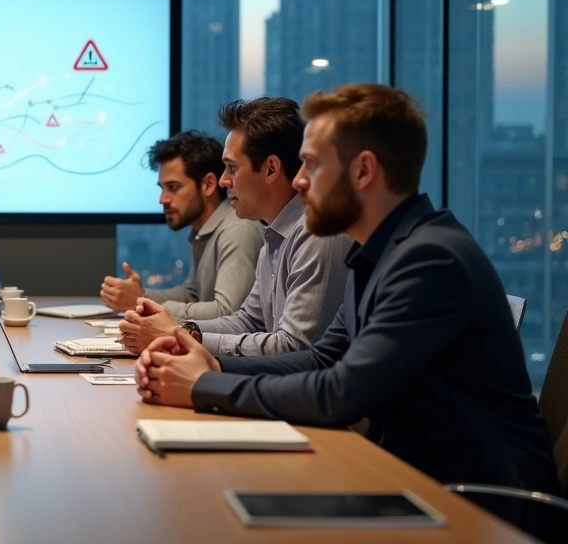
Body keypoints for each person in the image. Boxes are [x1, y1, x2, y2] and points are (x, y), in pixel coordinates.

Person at [133, 83, 559, 499]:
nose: (298, 182)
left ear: (363, 171)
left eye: (312, 165)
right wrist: (212, 365)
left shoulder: (431, 259)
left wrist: (205, 383)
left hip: (482, 503)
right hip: (415, 476)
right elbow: (322, 357)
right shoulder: (374, 251)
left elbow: (340, 393)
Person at [118, 98, 353, 356]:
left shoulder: (316, 231)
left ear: (271, 169)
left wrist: (179, 336)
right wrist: (185, 331)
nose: (223, 181)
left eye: (231, 168)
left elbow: (295, 348)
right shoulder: (275, 236)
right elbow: (247, 321)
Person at [100, 130, 263, 321]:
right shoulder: (207, 231)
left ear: (208, 185)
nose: (163, 200)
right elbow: (191, 294)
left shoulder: (238, 230)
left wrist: (141, 301)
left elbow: (228, 312)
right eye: (162, 188)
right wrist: (141, 295)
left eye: (174, 187)